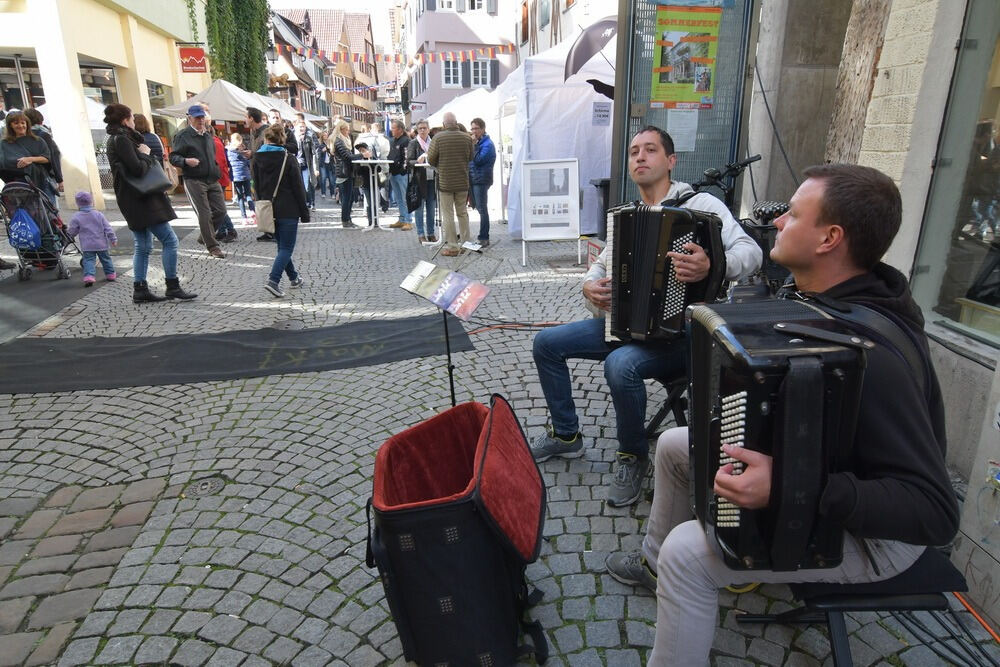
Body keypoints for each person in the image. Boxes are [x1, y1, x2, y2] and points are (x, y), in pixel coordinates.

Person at [604, 163, 960, 665]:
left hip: (879, 539)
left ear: (829, 239)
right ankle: (654, 567)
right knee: (673, 445)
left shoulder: (872, 353)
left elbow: (935, 514)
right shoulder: (821, 302)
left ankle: (677, 572)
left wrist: (792, 485)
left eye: (793, 215)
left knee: (689, 551)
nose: (776, 222)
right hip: (824, 482)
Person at [529, 126, 762, 507]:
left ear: (670, 161)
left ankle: (632, 455)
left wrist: (713, 265)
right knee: (546, 343)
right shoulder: (624, 217)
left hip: (686, 334)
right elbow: (598, 270)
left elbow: (751, 253)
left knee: (621, 365)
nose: (640, 157)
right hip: (626, 326)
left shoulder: (702, 205)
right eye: (634, 150)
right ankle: (566, 435)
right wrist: (589, 289)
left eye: (650, 150)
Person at [104, 103, 196, 303]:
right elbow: (137, 169)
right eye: (131, 117)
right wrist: (145, 153)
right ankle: (172, 285)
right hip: (141, 197)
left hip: (133, 197)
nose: (134, 121)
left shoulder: (119, 138)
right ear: (125, 120)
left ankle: (141, 289)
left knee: (143, 244)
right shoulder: (121, 140)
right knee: (169, 240)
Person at [253, 123, 309, 298]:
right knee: (286, 247)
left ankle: (294, 277)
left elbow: (255, 185)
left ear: (266, 139)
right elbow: (299, 188)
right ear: (282, 140)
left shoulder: (256, 158)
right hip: (288, 208)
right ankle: (273, 280)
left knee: (281, 247)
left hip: (267, 209)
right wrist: (305, 212)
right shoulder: (288, 158)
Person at [167, 105, 226, 258]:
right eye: (197, 117)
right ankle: (213, 247)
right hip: (194, 179)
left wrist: (216, 168)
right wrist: (186, 161)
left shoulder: (207, 135)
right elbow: (174, 157)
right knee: (204, 213)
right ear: (189, 118)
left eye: (202, 117)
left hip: (212, 178)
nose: (201, 120)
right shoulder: (182, 136)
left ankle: (205, 236)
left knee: (221, 211)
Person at [426, 112, 474, 257]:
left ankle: (453, 247)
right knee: (463, 213)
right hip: (462, 181)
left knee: (448, 214)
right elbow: (471, 157)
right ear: (456, 122)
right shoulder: (467, 138)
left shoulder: (438, 138)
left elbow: (431, 159)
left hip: (445, 182)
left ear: (444, 124)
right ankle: (467, 244)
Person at [200, 106, 237, 243]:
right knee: (217, 207)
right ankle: (221, 231)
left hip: (216, 179)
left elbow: (218, 163)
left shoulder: (212, 143)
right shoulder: (216, 141)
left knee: (218, 208)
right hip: (219, 177)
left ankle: (231, 230)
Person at [66, 190, 116, 287]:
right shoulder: (99, 215)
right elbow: (108, 228)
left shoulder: (76, 217)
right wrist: (113, 239)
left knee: (88, 260)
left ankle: (89, 276)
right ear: (91, 201)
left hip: (87, 245)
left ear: (77, 204)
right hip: (101, 244)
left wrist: (68, 237)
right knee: (106, 259)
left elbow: (72, 230)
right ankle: (110, 275)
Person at [0, 111, 52, 196]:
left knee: (44, 209)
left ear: (27, 124)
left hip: (41, 183)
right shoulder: (4, 144)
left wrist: (30, 159)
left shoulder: (38, 140)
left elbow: (47, 158)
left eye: (23, 123)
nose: (20, 126)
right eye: (16, 123)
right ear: (10, 125)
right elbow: (2, 163)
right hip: (16, 187)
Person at [407, 118, 438, 243]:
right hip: (419, 180)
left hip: (432, 178)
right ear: (417, 130)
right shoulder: (413, 143)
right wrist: (418, 161)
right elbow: (409, 162)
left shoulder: (434, 142)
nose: (423, 130)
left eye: (425, 128)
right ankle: (421, 233)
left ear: (429, 129)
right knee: (419, 208)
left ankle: (431, 233)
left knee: (431, 208)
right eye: (420, 128)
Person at [23, 108, 61, 208]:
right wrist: (59, 179)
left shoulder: (21, 137)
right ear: (40, 120)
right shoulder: (43, 134)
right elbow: (54, 156)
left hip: (27, 178)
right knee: (50, 209)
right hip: (45, 177)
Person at [469, 117, 496, 246]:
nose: (474, 131)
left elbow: (478, 160)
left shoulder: (488, 144)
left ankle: (484, 237)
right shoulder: (480, 142)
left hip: (481, 179)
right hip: (475, 178)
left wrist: (473, 146)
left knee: (482, 209)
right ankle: (483, 236)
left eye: (476, 128)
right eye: (472, 128)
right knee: (480, 208)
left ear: (483, 129)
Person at [331, 120, 360, 229]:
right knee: (346, 198)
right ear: (341, 129)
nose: (348, 131)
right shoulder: (338, 141)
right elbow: (347, 157)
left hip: (347, 172)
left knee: (350, 197)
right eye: (346, 129)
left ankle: (348, 219)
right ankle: (345, 220)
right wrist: (362, 155)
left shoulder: (344, 140)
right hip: (343, 173)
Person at [386, 119, 413, 230]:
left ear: (400, 129)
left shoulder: (405, 140)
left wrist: (403, 170)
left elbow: (407, 157)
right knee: (398, 199)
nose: (392, 130)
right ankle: (402, 219)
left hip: (402, 174)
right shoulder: (392, 140)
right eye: (392, 127)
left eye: (393, 128)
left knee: (405, 198)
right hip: (393, 173)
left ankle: (408, 221)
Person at [227, 133, 254, 221]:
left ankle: (244, 217)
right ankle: (252, 211)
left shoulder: (229, 150)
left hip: (236, 176)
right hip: (245, 174)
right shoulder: (243, 150)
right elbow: (247, 162)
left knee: (240, 196)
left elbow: (228, 162)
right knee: (248, 194)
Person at [293, 119, 317, 211]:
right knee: (299, 185)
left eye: (303, 127)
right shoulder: (293, 137)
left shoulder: (308, 138)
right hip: (295, 164)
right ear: (296, 127)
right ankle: (303, 204)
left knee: (307, 185)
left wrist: (315, 167)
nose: (302, 128)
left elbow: (314, 153)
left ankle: (310, 203)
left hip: (306, 164)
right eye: (300, 126)